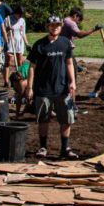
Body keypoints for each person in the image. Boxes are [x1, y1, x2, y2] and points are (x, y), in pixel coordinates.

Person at [26, 15, 79, 160]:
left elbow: (69, 63)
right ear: (47, 27)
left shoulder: (65, 43)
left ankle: (65, 148)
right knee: (43, 119)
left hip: (62, 88)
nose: (54, 27)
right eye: (51, 25)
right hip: (43, 89)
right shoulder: (39, 45)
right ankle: (43, 147)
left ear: (61, 27)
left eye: (57, 25)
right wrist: (29, 88)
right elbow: (32, 67)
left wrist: (72, 82)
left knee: (66, 118)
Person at [60, 7, 103, 75]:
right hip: (66, 48)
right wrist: (94, 29)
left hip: (61, 47)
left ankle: (77, 67)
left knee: (68, 63)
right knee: (71, 66)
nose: (78, 22)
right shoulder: (70, 23)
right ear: (75, 15)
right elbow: (80, 35)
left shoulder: (63, 20)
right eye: (78, 19)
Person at [5, 5, 29, 72]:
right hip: (10, 43)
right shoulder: (8, 19)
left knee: (20, 63)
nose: (20, 17)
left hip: (19, 44)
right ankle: (6, 81)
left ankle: (19, 78)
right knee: (8, 63)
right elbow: (2, 32)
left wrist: (27, 44)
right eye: (19, 15)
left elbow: (23, 33)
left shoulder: (22, 21)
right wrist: (7, 29)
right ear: (16, 13)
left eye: (22, 16)